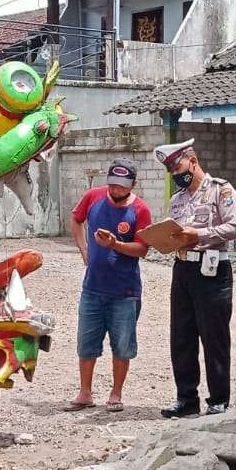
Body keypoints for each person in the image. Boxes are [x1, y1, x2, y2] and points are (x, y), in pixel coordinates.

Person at [154, 139, 236, 418]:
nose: (175, 174)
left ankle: (218, 399)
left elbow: (235, 226)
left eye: (177, 166)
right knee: (181, 337)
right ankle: (186, 400)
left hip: (212, 269)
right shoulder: (177, 199)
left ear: (192, 161)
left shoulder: (221, 190)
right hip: (183, 268)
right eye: (170, 170)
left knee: (214, 337)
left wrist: (199, 235)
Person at [67, 161, 153, 413]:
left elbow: (142, 250)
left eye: (122, 186)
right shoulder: (92, 197)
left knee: (123, 344)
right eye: (112, 184)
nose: (115, 190)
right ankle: (85, 392)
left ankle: (116, 393)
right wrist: (84, 249)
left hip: (125, 291)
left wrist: (115, 244)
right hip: (92, 287)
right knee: (86, 342)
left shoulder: (140, 210)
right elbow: (76, 220)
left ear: (132, 185)